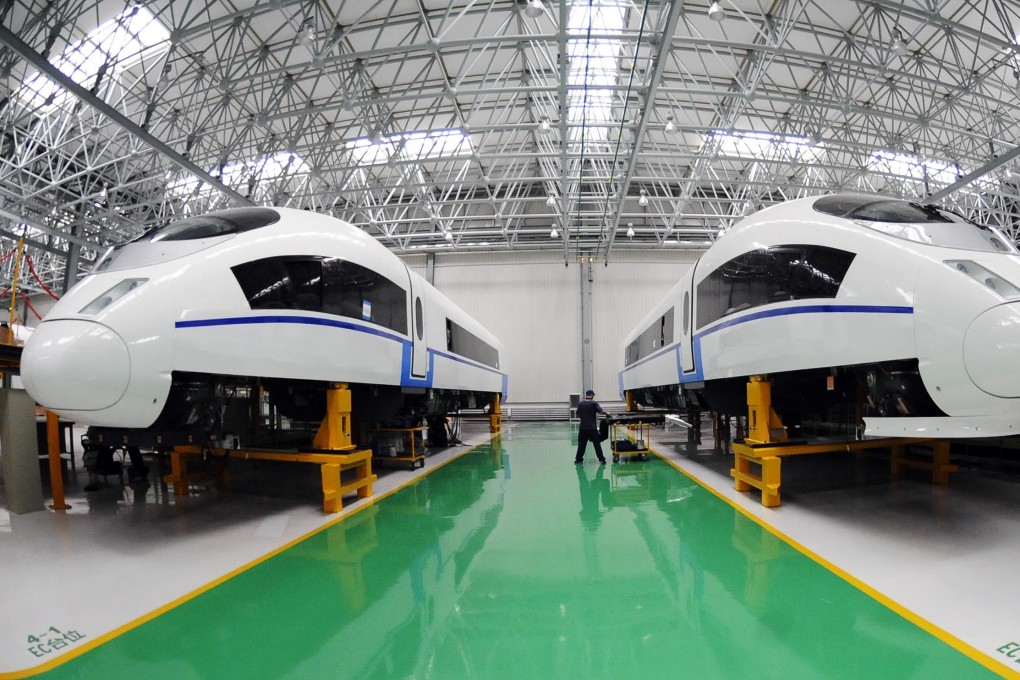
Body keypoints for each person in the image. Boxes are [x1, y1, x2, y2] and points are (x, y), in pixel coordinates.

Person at [574, 389, 607, 464]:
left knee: (582, 444)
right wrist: (608, 414)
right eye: (593, 395)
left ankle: (578, 459)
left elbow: (577, 414)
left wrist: (584, 417)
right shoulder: (594, 403)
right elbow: (601, 411)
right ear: (591, 395)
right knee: (596, 444)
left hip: (583, 428)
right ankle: (601, 459)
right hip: (592, 428)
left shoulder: (580, 403)